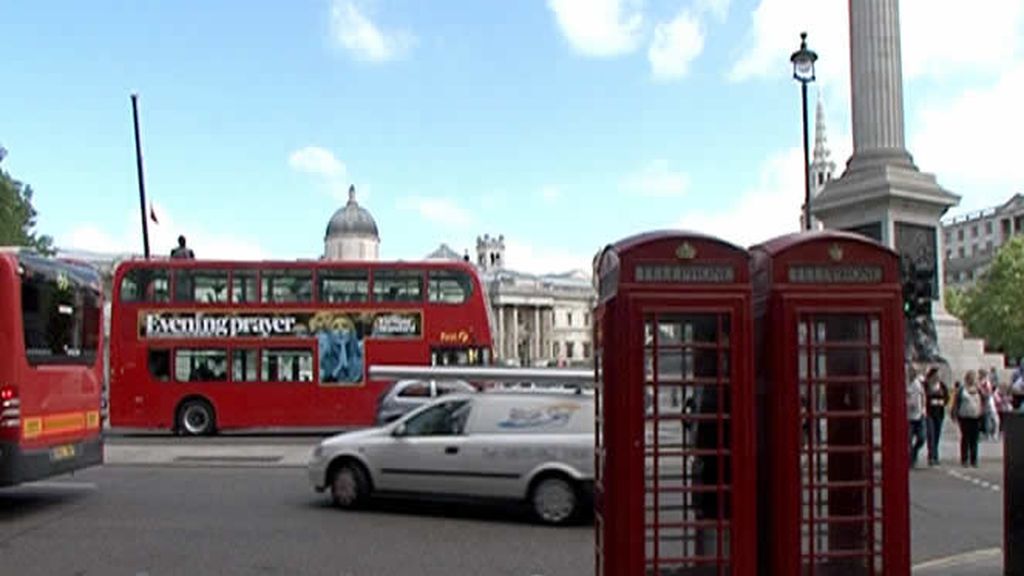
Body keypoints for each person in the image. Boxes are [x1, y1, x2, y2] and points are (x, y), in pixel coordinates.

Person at [952, 369, 984, 468]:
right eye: (970, 378)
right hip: (964, 417)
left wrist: (982, 412)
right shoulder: (962, 390)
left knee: (974, 439)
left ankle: (974, 460)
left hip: (975, 417)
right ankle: (964, 459)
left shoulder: (978, 390)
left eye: (973, 378)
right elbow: (956, 402)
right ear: (966, 379)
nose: (972, 380)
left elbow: (983, 400)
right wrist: (954, 414)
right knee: (965, 438)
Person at [923, 367, 949, 466]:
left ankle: (935, 455)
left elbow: (946, 398)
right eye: (936, 375)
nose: (938, 377)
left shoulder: (942, 386)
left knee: (937, 435)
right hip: (929, 413)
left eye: (939, 375)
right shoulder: (926, 385)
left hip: (939, 413)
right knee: (931, 434)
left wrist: (942, 402)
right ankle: (931, 456)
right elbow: (923, 397)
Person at [907, 367, 926, 468]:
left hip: (919, 415)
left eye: (913, 372)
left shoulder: (918, 383)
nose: (912, 374)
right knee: (908, 440)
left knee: (922, 438)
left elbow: (923, 396)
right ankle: (911, 460)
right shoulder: (905, 383)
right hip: (908, 416)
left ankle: (914, 451)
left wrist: (923, 409)